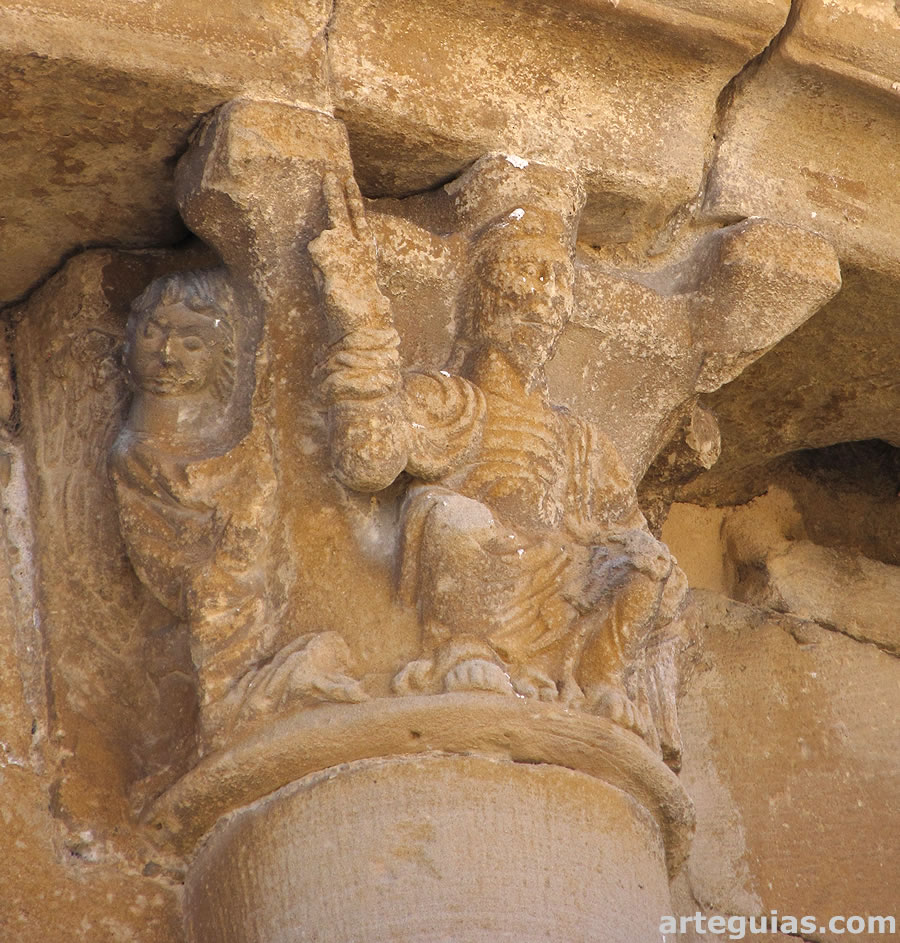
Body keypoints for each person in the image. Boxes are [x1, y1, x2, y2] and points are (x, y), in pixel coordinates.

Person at [310, 156, 687, 764]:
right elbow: (366, 463)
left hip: (559, 581)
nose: (540, 296)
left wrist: (633, 559)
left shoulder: (581, 439)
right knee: (452, 515)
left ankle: (598, 677)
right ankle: (464, 650)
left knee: (647, 564)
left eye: (554, 279)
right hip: (478, 567)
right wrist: (360, 323)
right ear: (476, 295)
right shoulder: (446, 397)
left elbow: (624, 529)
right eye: (521, 272)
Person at [111, 270, 364, 756]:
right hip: (212, 594)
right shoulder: (135, 457)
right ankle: (235, 706)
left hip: (270, 579)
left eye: (191, 342)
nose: (167, 353)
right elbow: (163, 555)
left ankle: (256, 694)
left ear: (223, 354)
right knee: (213, 590)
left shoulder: (245, 445)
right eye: (152, 332)